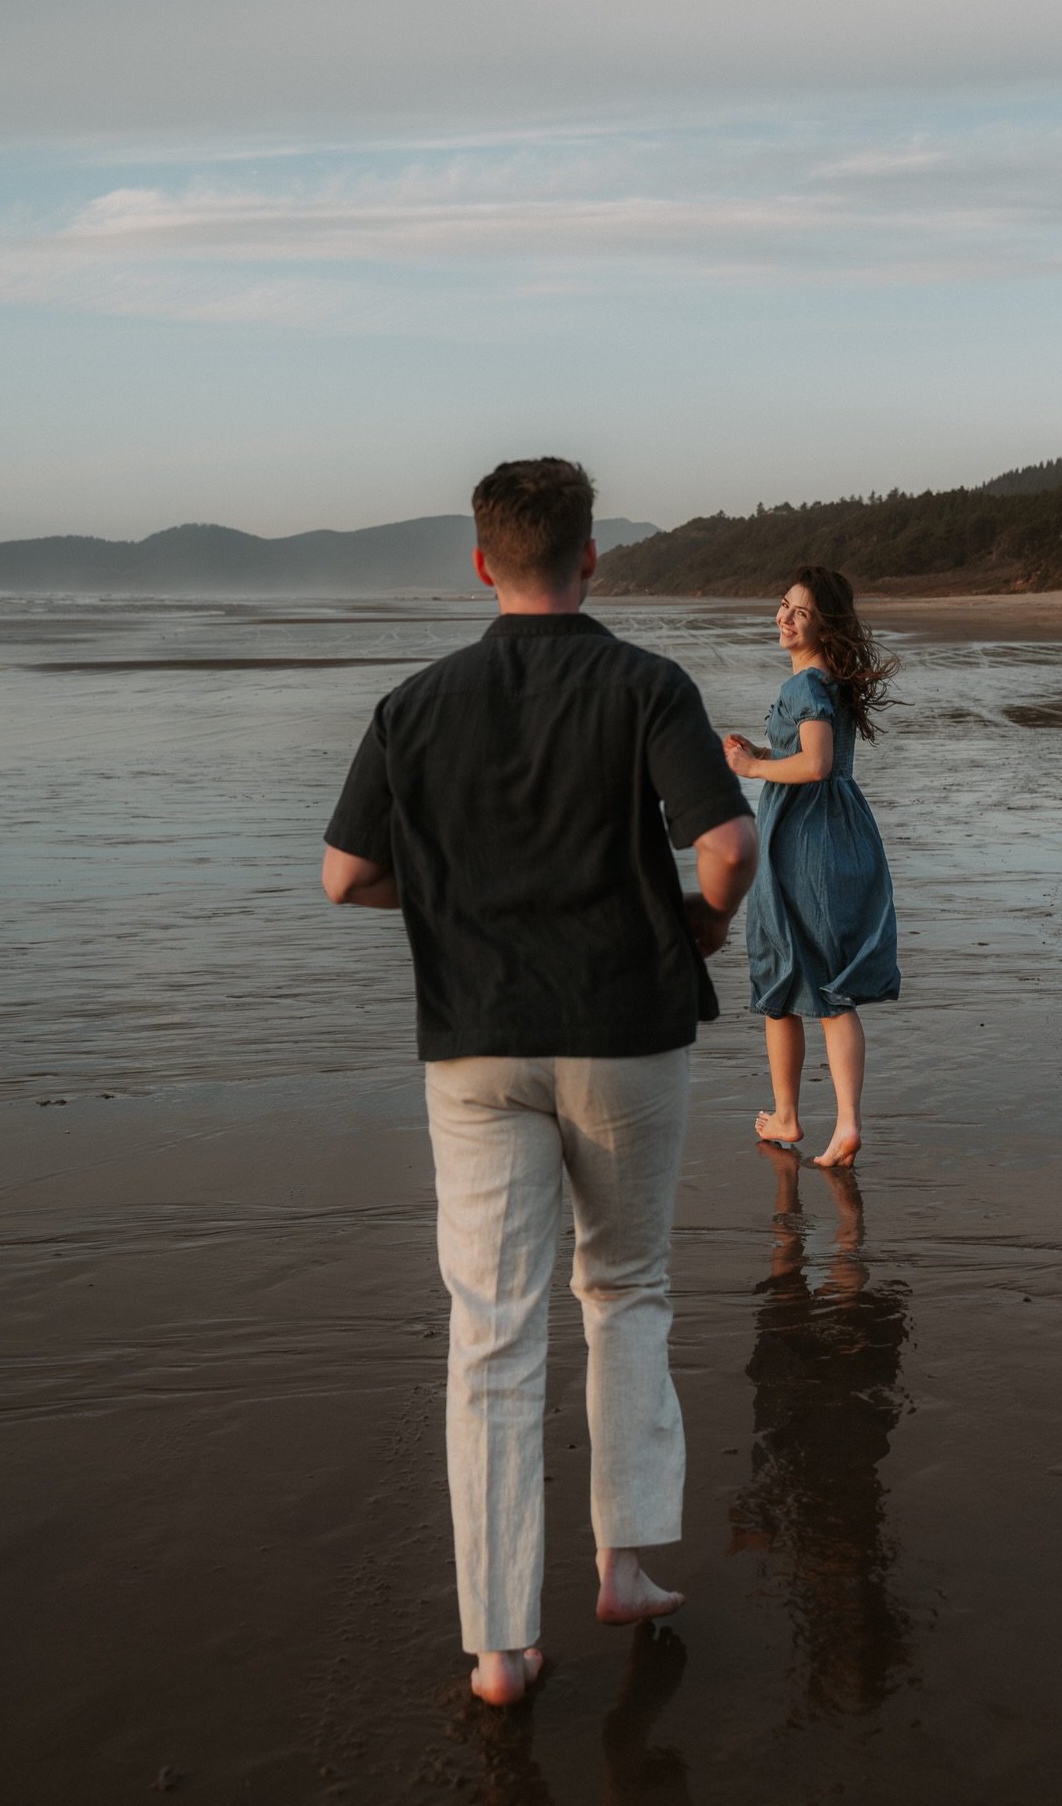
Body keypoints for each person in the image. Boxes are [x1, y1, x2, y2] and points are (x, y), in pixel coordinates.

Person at [321, 458, 757, 1706]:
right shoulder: (645, 684)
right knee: (624, 1289)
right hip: (627, 1027)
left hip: (475, 1043)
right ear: (593, 556)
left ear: (478, 562)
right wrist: (702, 924)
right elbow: (728, 844)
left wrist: (453, 902)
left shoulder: (415, 703)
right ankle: (622, 1565)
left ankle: (500, 1647)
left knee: (492, 1333)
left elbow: (344, 877)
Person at [723, 566, 899, 1168]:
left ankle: (794, 1115)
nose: (784, 618)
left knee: (784, 979)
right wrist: (766, 755)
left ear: (825, 622)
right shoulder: (829, 682)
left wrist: (750, 771)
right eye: (783, 606)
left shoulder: (805, 685)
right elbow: (810, 756)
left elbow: (817, 764)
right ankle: (829, 1121)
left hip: (805, 841)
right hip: (838, 830)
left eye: (799, 611)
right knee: (827, 982)